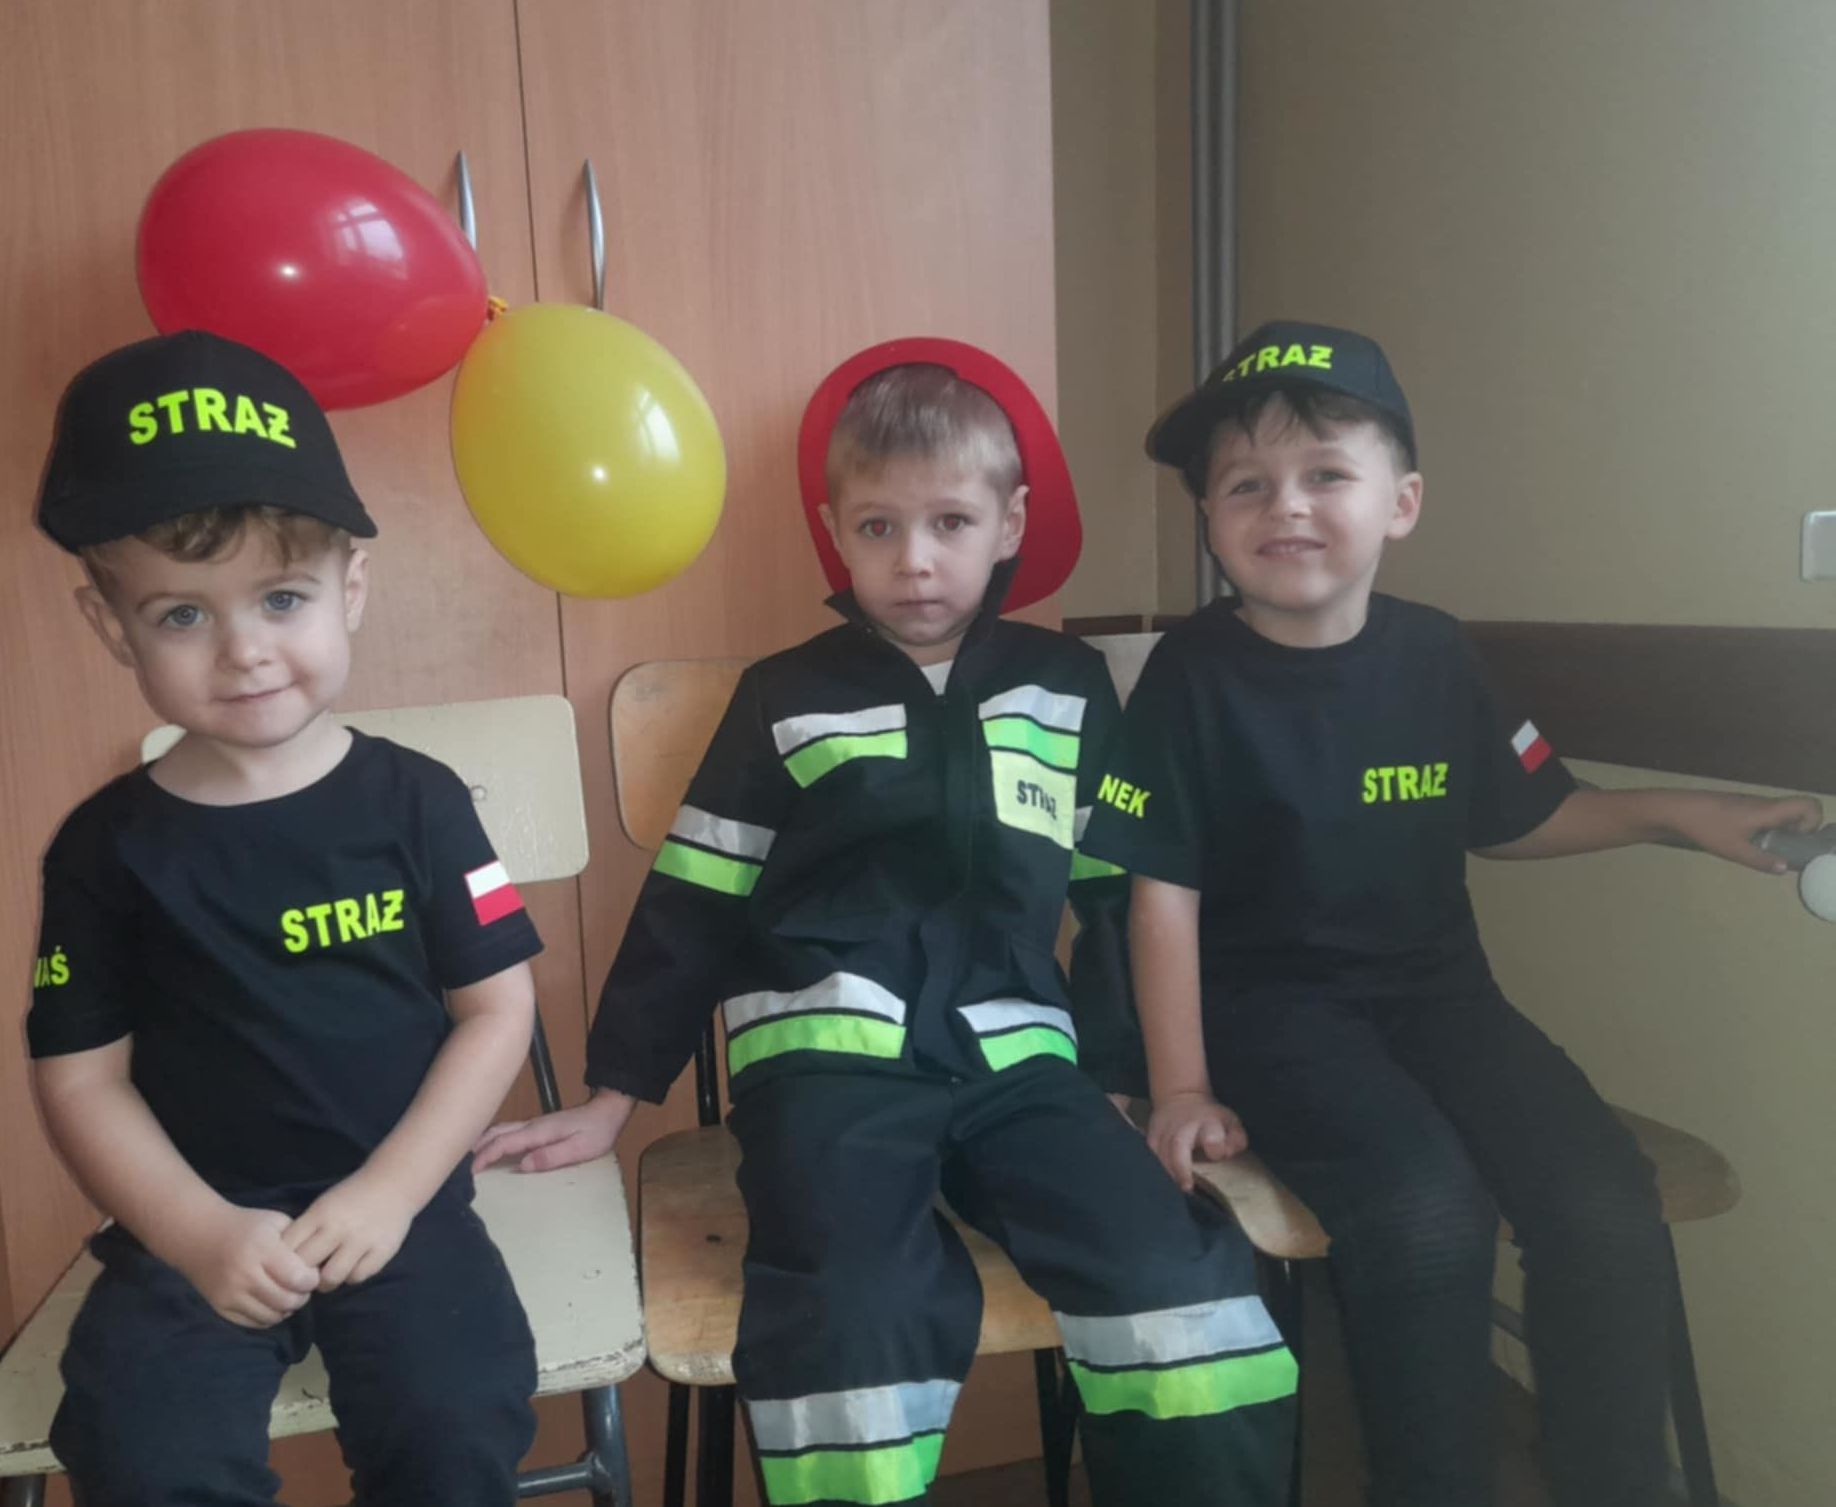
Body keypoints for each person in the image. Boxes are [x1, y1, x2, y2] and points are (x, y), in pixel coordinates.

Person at [476, 340, 1297, 1506]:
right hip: (827, 1070)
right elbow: (695, 896)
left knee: (1171, 1266)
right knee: (853, 1303)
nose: (915, 560)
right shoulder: (784, 695)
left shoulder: (1067, 686)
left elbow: (1116, 896)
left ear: (1009, 523)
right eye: (879, 528)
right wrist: (614, 1091)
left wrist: (1131, 1078)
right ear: (835, 531)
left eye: (951, 523)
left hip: (1024, 1066)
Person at [1080, 318, 1822, 1507]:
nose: (1287, 504)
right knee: (1426, 1212)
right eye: (1247, 484)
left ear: (1403, 502)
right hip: (1273, 1014)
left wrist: (1681, 814)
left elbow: (1519, 812)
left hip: (1440, 996)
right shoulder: (1191, 676)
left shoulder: (1436, 654)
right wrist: (1181, 1086)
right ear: (1211, 518)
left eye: (1327, 472)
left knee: (1601, 1201)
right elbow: (1159, 891)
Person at [28, 330, 543, 1506]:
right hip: (190, 1230)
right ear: (110, 626)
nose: (246, 651)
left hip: (404, 1210)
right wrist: (197, 1233)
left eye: (281, 597)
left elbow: (496, 1010)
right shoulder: (102, 850)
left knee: (457, 1425)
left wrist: (391, 1192)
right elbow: (81, 1080)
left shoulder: (423, 802)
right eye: (180, 615)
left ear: (350, 589)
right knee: (139, 1448)